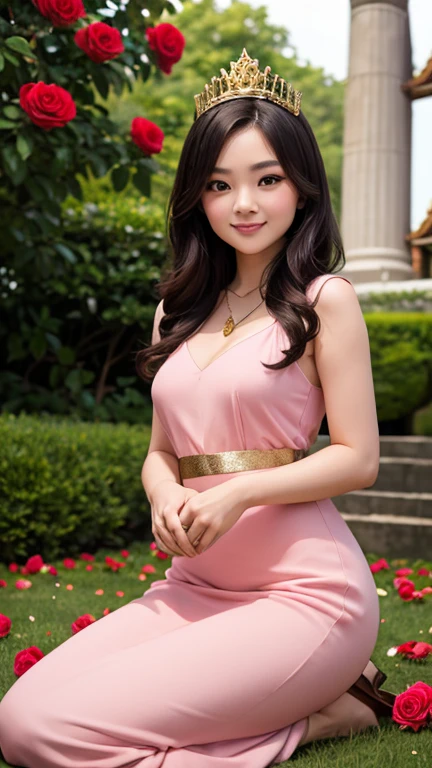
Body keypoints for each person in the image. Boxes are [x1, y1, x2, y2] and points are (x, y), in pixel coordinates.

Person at [0, 49, 396, 768]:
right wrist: (160, 492)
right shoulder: (174, 312)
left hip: (305, 595)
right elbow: (163, 450)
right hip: (193, 585)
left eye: (267, 179)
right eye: (220, 184)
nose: (244, 204)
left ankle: (325, 717)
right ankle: (329, 711)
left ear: (302, 187)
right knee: (21, 721)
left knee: (63, 735)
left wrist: (240, 491)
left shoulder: (324, 301)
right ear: (197, 195)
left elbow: (358, 458)